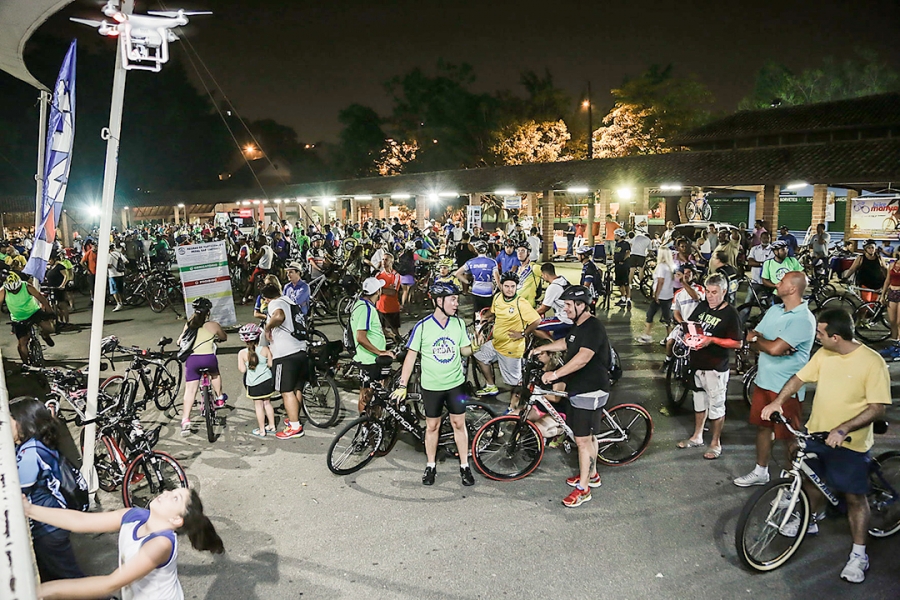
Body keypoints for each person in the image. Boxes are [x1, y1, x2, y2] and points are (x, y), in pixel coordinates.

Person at [760, 308, 891, 584]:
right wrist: (778, 402)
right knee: (811, 480)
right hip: (817, 434)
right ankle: (810, 520)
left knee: (855, 498)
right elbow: (799, 378)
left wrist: (843, 428)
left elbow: (877, 407)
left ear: (836, 337)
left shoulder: (872, 362)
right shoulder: (824, 354)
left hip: (850, 443)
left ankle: (859, 555)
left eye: (820, 333)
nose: (816, 336)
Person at [25, 487, 223, 599]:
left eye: (175, 498)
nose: (165, 492)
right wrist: (30, 509)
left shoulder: (161, 544)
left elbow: (111, 583)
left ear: (176, 520)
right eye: (171, 490)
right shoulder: (135, 516)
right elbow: (81, 521)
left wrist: (45, 590)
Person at [530, 285, 612, 507]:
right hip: (579, 389)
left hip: (591, 390)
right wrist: (543, 349)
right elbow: (568, 343)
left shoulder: (593, 327)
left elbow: (583, 358)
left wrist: (555, 374)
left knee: (583, 441)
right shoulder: (579, 325)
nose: (564, 309)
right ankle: (592, 475)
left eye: (568, 305)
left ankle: (583, 490)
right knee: (587, 437)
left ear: (581, 305)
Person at [733, 271, 816, 487]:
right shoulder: (774, 310)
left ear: (793, 288)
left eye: (782, 281)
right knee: (763, 427)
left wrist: (765, 344)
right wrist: (765, 344)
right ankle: (761, 471)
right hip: (764, 382)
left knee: (789, 437)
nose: (777, 284)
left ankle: (792, 485)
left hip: (786, 389)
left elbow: (773, 348)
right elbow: (753, 337)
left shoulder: (803, 319)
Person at [392, 282, 476, 486]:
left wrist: (476, 345)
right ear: (439, 301)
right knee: (432, 426)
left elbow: (464, 351)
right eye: (452, 299)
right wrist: (402, 385)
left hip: (456, 384)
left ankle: (464, 466)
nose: (456, 303)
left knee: (459, 424)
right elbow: (410, 357)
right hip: (431, 387)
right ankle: (430, 465)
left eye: (457, 299)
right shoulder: (422, 326)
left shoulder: (459, 324)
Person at [11, 397, 84, 582]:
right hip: (53, 520)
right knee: (56, 575)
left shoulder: (30, 453)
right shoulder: (36, 443)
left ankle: (102, 594)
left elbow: (17, 489)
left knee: (69, 578)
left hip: (48, 527)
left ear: (22, 422)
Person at [675, 273, 743, 459]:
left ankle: (715, 442)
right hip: (698, 364)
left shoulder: (730, 314)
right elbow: (692, 325)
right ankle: (697, 436)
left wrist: (712, 340)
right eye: (708, 292)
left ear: (724, 292)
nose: (710, 296)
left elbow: (737, 343)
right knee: (699, 401)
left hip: (716, 367)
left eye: (714, 292)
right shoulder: (703, 306)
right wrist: (689, 337)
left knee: (716, 406)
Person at [473, 272, 541, 410]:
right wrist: (484, 318)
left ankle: (514, 407)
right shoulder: (498, 297)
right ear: (501, 286)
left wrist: (523, 333)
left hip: (511, 349)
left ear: (516, 287)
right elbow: (493, 312)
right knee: (479, 355)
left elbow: (536, 320)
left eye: (512, 286)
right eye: (506, 286)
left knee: (515, 383)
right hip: (496, 344)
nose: (510, 289)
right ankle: (491, 385)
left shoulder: (521, 303)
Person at [262, 283, 309, 440]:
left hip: (285, 353)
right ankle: (294, 418)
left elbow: (279, 316)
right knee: (297, 388)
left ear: (266, 299)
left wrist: (268, 328)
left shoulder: (274, 304)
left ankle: (295, 427)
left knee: (285, 390)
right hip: (300, 349)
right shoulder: (290, 301)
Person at [178, 298, 228, 436]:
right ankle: (219, 398)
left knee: (190, 390)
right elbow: (224, 337)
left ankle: (185, 420)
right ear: (208, 312)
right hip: (208, 358)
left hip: (192, 361)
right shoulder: (213, 325)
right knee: (215, 374)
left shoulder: (189, 324)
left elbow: (180, 341)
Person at [351, 277, 393, 412]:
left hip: (365, 358)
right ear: (378, 291)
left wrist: (386, 334)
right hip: (370, 360)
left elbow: (369, 328)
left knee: (366, 394)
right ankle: (367, 422)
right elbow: (360, 337)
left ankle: (367, 422)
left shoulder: (360, 305)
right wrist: (380, 352)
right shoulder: (366, 309)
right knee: (368, 396)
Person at [0, 271, 56, 364]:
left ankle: (45, 335)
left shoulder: (26, 286)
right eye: (12, 291)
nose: (15, 292)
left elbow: (40, 298)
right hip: (18, 318)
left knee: (50, 328)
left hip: (33, 312)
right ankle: (25, 363)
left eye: (17, 289)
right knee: (22, 343)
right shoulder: (3, 291)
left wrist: (49, 310)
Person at [237, 323, 277, 437]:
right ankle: (272, 426)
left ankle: (262, 430)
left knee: (258, 406)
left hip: (254, 384)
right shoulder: (265, 349)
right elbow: (270, 364)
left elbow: (242, 370)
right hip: (267, 381)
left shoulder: (242, 353)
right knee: (267, 403)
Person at [637, 245, 675, 344]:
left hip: (661, 295)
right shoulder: (670, 266)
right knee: (667, 318)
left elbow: (660, 282)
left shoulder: (661, 266)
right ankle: (670, 338)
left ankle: (647, 335)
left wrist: (656, 294)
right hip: (668, 294)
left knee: (650, 315)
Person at [456, 242, 498, 315]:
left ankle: (477, 321)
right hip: (488, 292)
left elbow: (457, 273)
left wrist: (467, 282)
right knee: (488, 313)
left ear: (476, 250)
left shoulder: (471, 262)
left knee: (477, 313)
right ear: (487, 250)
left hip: (475, 291)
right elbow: (497, 279)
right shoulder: (492, 262)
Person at [535, 262, 572, 340]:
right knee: (559, 337)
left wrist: (531, 314)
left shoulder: (553, 287)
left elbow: (544, 309)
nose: (542, 278)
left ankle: (552, 343)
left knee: (533, 326)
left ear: (545, 275)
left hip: (563, 318)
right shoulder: (562, 280)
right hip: (571, 316)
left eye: (542, 275)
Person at [376, 253, 402, 341]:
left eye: (386, 259)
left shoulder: (396, 275)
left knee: (395, 332)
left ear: (391, 262)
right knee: (381, 330)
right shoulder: (378, 275)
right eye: (383, 259)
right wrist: (385, 289)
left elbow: (393, 292)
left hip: (392, 308)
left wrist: (380, 289)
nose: (384, 262)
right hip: (380, 307)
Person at [879, 253, 900, 358]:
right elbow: (887, 280)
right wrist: (883, 295)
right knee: (892, 321)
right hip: (892, 293)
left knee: (899, 322)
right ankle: (894, 344)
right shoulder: (892, 264)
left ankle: (899, 348)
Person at [746, 230, 774, 303]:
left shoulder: (773, 250)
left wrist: (757, 263)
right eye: (764, 238)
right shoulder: (754, 249)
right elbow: (750, 262)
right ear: (760, 238)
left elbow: (772, 264)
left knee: (765, 303)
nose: (766, 240)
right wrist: (763, 264)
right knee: (748, 301)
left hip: (768, 282)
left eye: (768, 238)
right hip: (755, 281)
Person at [44, 253, 71, 326]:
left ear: (54, 259)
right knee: (55, 306)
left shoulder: (60, 266)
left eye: (50, 260)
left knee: (62, 305)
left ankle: (66, 322)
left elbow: (66, 276)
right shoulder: (50, 267)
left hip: (59, 288)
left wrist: (62, 285)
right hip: (52, 289)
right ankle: (59, 321)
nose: (49, 261)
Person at [514, 243, 541, 307]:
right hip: (517, 304)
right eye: (518, 250)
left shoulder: (534, 267)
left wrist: (546, 300)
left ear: (528, 253)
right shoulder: (519, 269)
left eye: (523, 251)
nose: (520, 253)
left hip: (528, 306)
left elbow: (551, 278)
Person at [612, 229, 631, 308]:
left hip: (623, 265)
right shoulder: (617, 244)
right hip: (617, 265)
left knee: (625, 282)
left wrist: (622, 260)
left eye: (615, 235)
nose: (614, 236)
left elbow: (628, 253)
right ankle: (624, 298)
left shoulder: (625, 244)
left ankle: (627, 299)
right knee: (620, 283)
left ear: (619, 235)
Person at [396, 241, 418, 310]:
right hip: (410, 275)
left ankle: (403, 304)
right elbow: (423, 260)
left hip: (402, 276)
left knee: (404, 291)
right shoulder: (413, 255)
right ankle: (408, 305)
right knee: (410, 292)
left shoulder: (401, 255)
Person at [108, 243, 129, 311]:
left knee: (114, 290)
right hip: (121, 273)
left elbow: (109, 265)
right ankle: (122, 302)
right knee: (120, 289)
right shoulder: (119, 254)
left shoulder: (109, 255)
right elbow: (126, 261)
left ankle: (118, 303)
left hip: (113, 274)